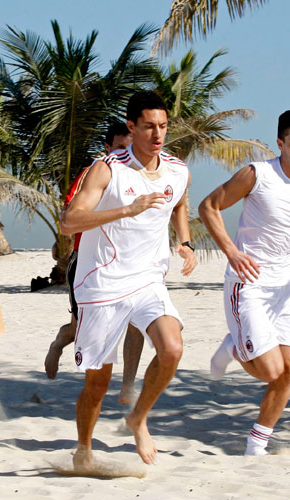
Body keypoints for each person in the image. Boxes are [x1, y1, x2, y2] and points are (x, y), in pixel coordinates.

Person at [199, 110, 290, 456]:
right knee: (270, 370)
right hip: (248, 282)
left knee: (289, 370)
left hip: (285, 287)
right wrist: (232, 252)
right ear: (280, 144)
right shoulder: (257, 174)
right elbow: (208, 207)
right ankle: (234, 347)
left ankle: (257, 443)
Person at [61, 91, 197, 470]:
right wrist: (126, 210)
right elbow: (70, 221)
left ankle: (138, 417)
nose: (158, 134)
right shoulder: (107, 169)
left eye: (163, 126)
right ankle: (84, 448)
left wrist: (185, 242)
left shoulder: (178, 170)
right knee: (97, 385)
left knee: (172, 349)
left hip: (148, 280)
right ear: (131, 126)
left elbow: (178, 202)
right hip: (102, 285)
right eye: (149, 126)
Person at [45, 121, 145, 405]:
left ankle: (128, 385)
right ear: (107, 147)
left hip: (130, 264)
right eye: (120, 148)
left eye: (130, 148)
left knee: (136, 320)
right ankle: (58, 343)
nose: (126, 154)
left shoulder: (144, 176)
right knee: (79, 329)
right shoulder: (94, 173)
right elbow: (70, 214)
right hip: (89, 263)